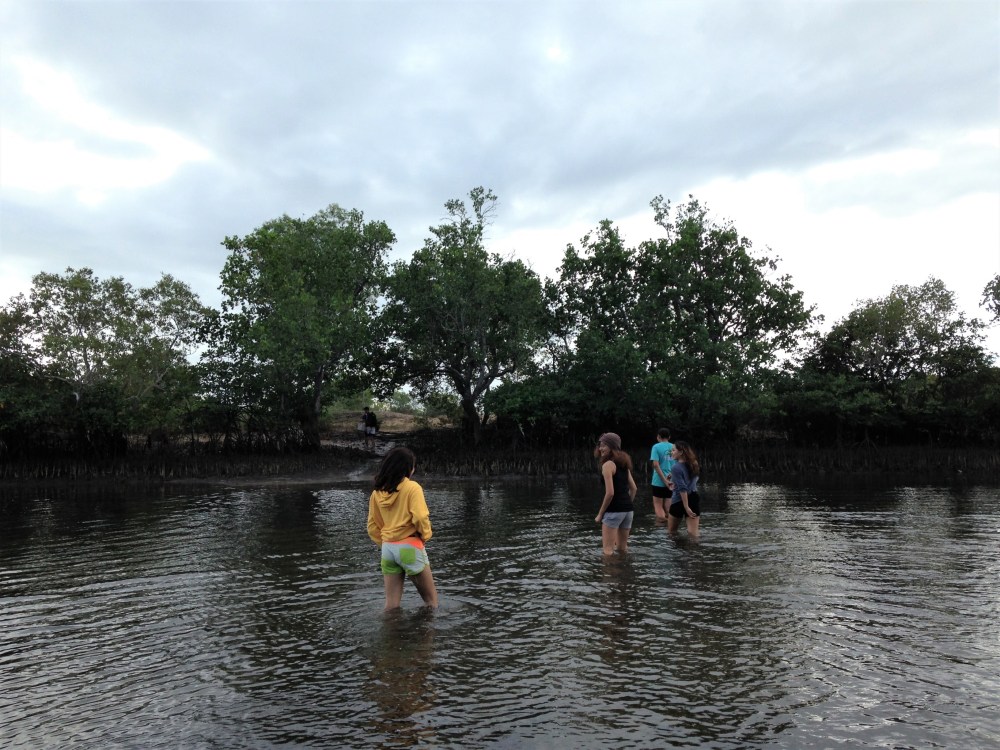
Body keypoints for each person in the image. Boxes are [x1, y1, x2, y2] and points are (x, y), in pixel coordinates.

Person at [367, 446, 439, 610]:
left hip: (388, 549)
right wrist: (425, 536)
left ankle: (390, 635)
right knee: (431, 603)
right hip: (410, 546)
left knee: (391, 606)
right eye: (413, 466)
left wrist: (386, 543)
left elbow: (372, 527)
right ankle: (426, 635)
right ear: (407, 468)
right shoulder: (412, 487)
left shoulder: (377, 493)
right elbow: (420, 517)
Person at [593, 432, 638, 556]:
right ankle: (624, 573)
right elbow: (634, 489)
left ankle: (610, 575)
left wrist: (600, 514)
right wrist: (626, 505)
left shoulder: (608, 465)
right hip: (628, 511)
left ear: (612, 446)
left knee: (607, 551)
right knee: (622, 549)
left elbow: (610, 493)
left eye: (604, 445)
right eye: (600, 445)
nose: (600, 448)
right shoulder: (624, 464)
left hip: (613, 511)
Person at [667, 441, 701, 537]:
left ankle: (678, 551)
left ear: (681, 452)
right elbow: (694, 479)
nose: (671, 452)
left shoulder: (675, 467)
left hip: (679, 500)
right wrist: (673, 477)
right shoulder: (694, 463)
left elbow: (682, 488)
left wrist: (686, 507)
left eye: (673, 450)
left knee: (671, 532)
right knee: (693, 533)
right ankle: (694, 551)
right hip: (693, 497)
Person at [649, 427, 675, 521]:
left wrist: (664, 480)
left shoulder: (656, 447)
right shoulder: (674, 447)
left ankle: (660, 531)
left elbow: (655, 464)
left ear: (658, 436)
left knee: (658, 506)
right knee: (668, 508)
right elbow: (677, 464)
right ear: (669, 437)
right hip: (672, 480)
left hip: (658, 481)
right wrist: (669, 478)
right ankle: (671, 528)